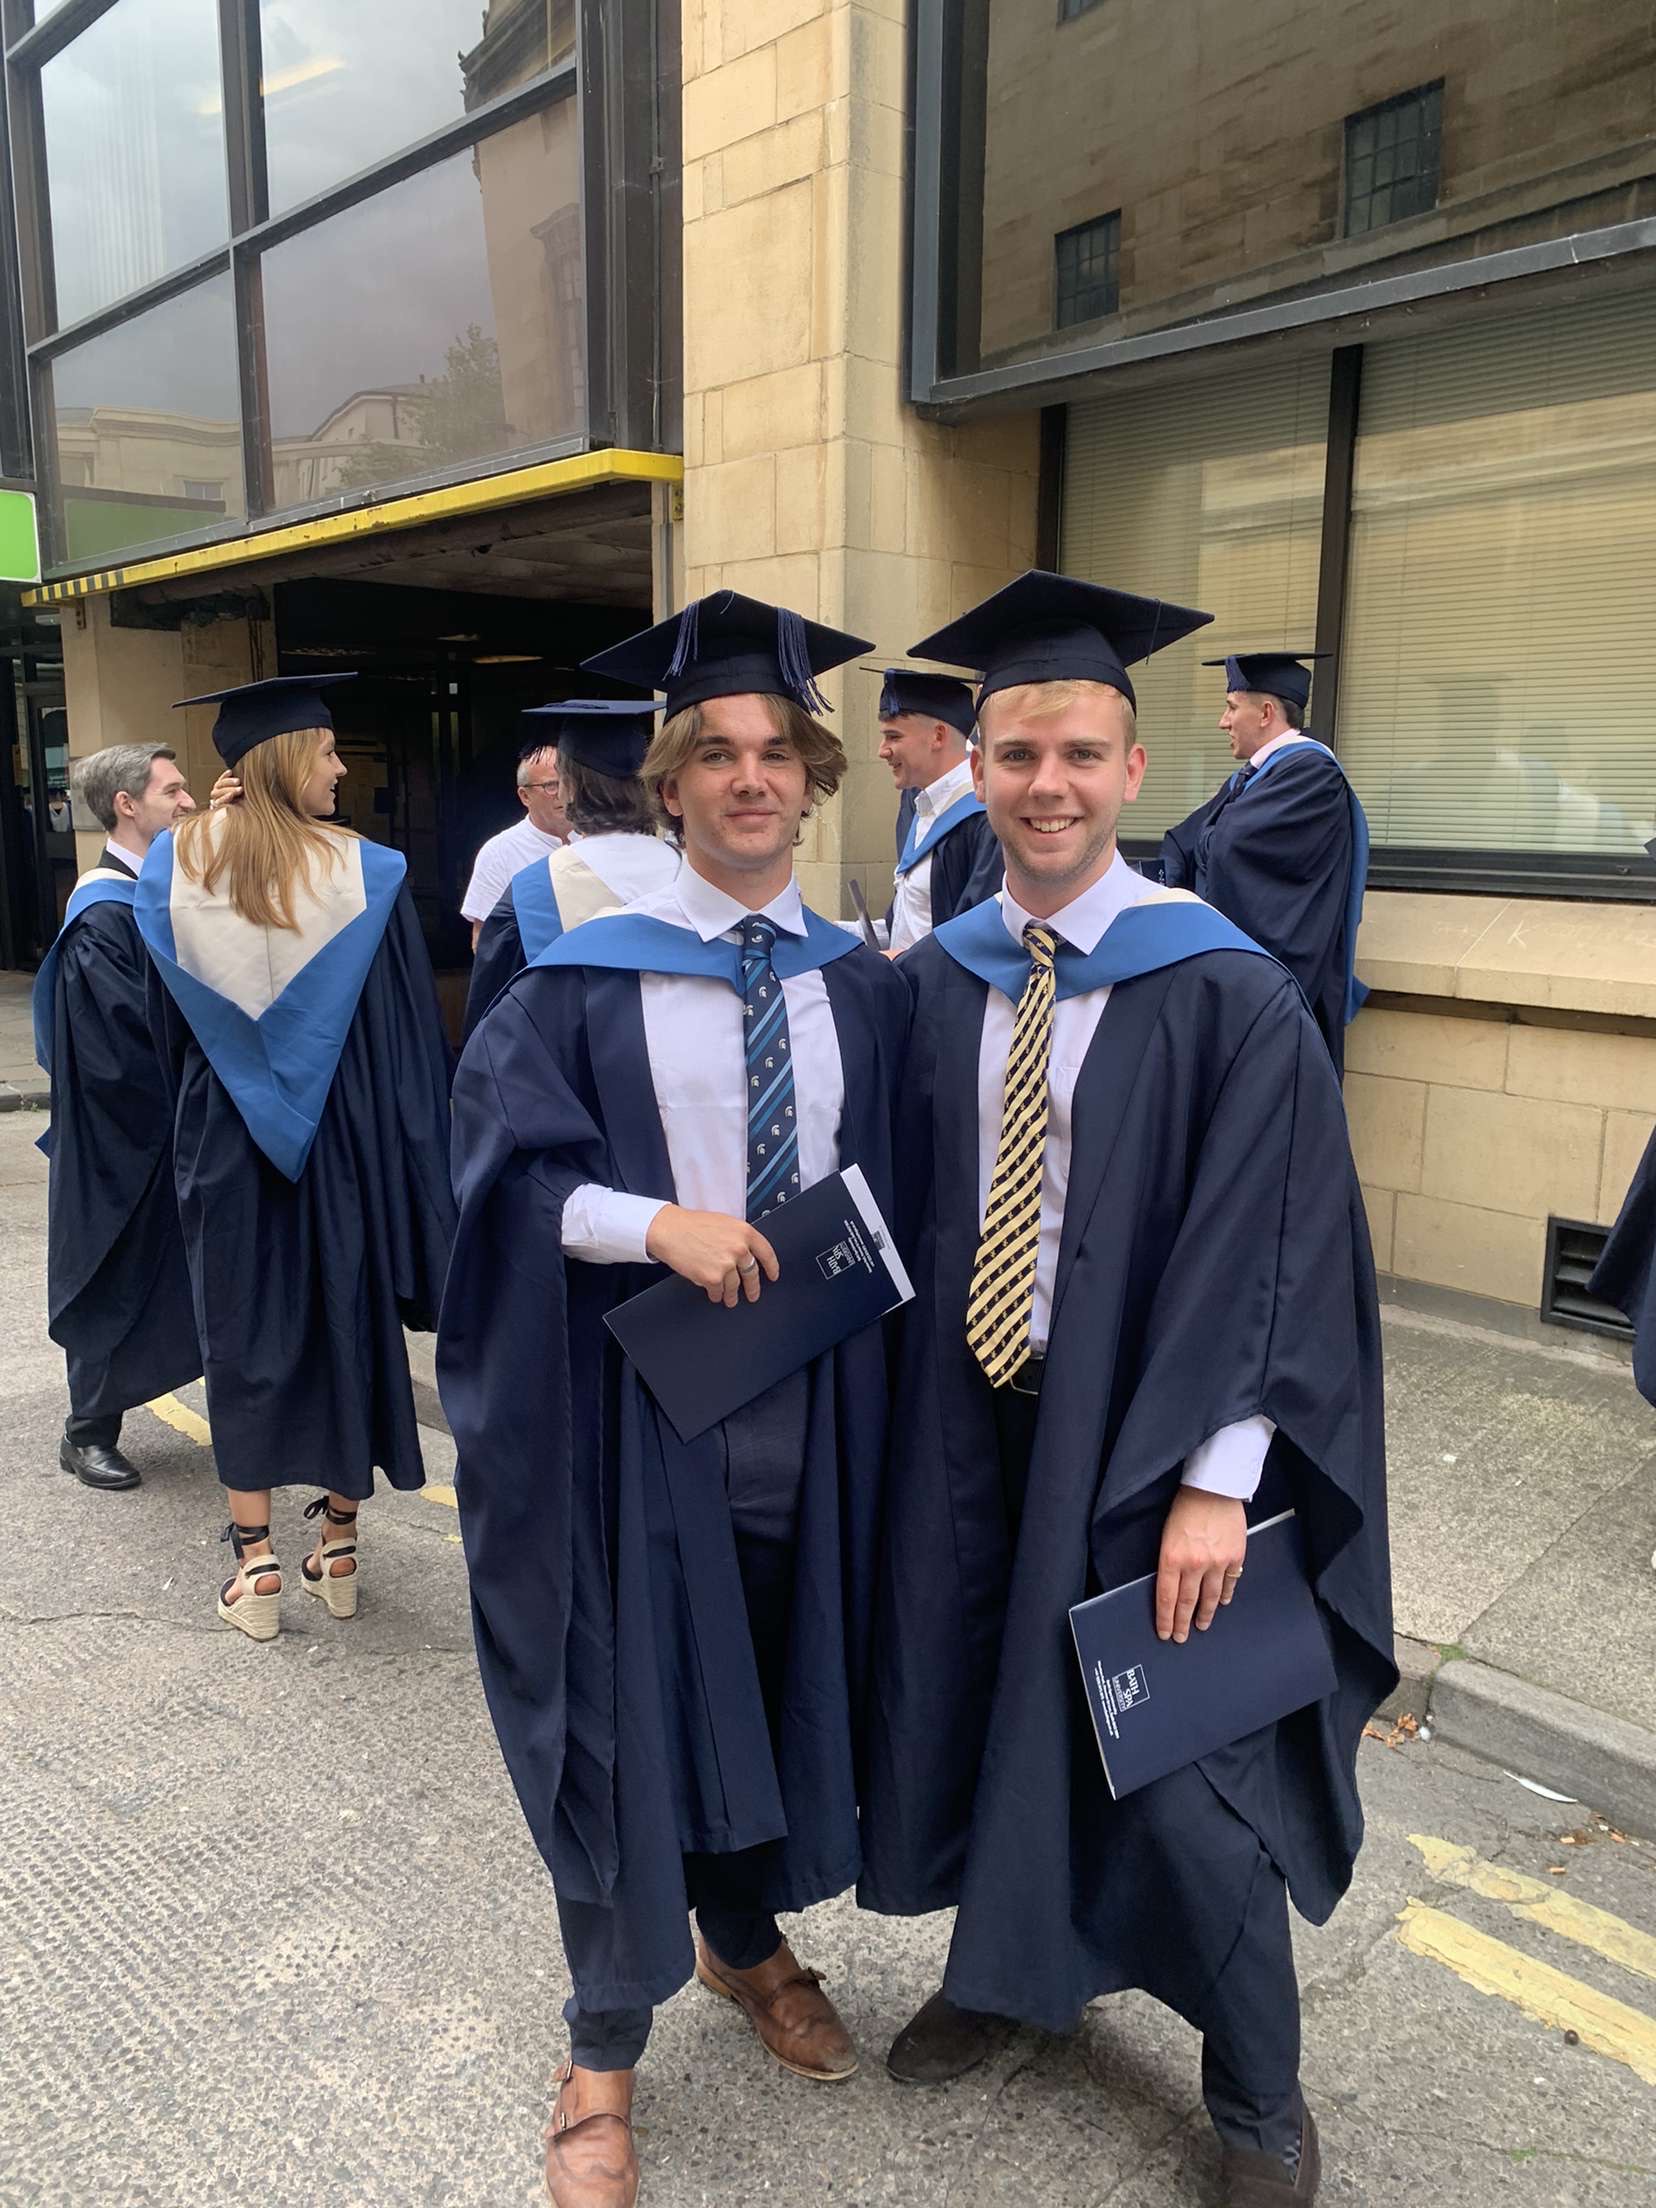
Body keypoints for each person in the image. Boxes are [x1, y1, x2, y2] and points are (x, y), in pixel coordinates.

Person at [858, 573, 1395, 2206]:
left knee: (1184, 1755)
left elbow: (1284, 1251)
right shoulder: (945, 976)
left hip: (1155, 1436)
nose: (1046, 784)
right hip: (972, 1419)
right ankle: (1007, 1968)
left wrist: (1222, 1478)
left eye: (1079, 751)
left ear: (1133, 766)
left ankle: (1257, 2092)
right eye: (1018, 749)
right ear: (983, 758)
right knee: (969, 1703)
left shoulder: (1223, 988)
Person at [439, 591, 910, 2208]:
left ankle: (743, 1936)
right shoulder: (581, 970)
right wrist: (656, 1226)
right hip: (638, 1402)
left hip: (814, 1397)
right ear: (673, 775)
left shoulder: (867, 982)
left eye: (776, 748)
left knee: (774, 1671)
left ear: (815, 770)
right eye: (716, 748)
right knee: (622, 1712)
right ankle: (598, 2041)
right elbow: (501, 1178)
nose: (750, 775)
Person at [135, 675, 456, 1641]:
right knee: (346, 1315)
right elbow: (403, 1036)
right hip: (344, 1137)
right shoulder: (372, 872)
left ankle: (257, 1564)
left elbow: (166, 1030)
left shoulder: (174, 864)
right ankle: (342, 1545)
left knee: (241, 1326)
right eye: (325, 750)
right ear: (288, 758)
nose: (341, 767)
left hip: (222, 1134)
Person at [33, 743, 200, 1491]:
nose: (187, 801)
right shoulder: (102, 913)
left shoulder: (157, 890)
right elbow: (117, 1046)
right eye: (172, 790)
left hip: (169, 1120)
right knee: (112, 1266)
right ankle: (86, 1430)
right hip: (119, 1135)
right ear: (127, 805)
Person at [1159, 652, 1369, 1077]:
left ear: (1266, 713)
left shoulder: (1311, 774)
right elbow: (1184, 840)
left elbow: (1228, 848)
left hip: (1278, 987)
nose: (1223, 721)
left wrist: (1201, 850)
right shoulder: (1257, 776)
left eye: (1232, 707)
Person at [462, 699, 677, 1041]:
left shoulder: (532, 889)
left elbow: (494, 1019)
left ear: (570, 787)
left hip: (571, 1076)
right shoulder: (691, 873)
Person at [877, 667, 1002, 951]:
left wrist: (904, 960)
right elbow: (913, 920)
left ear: (938, 736)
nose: (882, 750)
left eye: (893, 737)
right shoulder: (915, 804)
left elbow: (979, 939)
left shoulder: (986, 820)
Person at [461, 731, 571, 949]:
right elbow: (483, 941)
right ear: (525, 796)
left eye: (567, 782)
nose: (562, 793)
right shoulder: (498, 852)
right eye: (550, 786)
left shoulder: (594, 839)